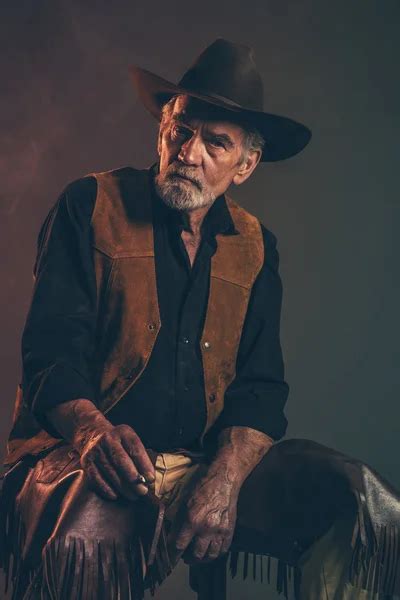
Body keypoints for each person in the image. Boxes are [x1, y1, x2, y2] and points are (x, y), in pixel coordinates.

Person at [1, 39, 399, 600]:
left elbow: (261, 389)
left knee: (357, 499)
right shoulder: (89, 205)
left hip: (204, 465)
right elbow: (50, 356)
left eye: (217, 143)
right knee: (91, 522)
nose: (190, 152)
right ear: (162, 129)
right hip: (85, 457)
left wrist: (226, 478)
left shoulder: (257, 248)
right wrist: (94, 436)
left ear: (246, 165)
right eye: (181, 130)